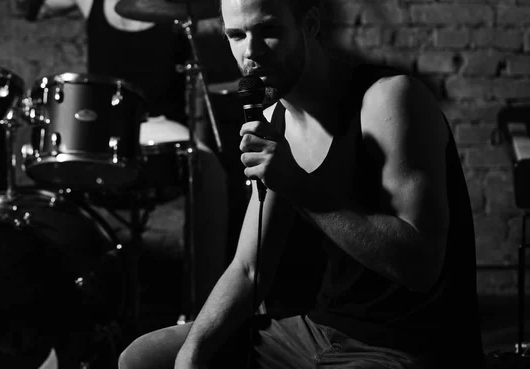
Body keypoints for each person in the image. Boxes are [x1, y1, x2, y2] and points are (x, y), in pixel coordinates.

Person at [117, 0, 486, 368]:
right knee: (143, 359)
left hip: (402, 348)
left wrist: (296, 183)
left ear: (308, 25)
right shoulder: (277, 118)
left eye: (269, 31)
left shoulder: (388, 99)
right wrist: (192, 353)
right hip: (315, 335)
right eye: (236, 35)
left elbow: (421, 266)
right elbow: (249, 269)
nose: (251, 52)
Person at [32, 0, 230, 318]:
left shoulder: (177, 10)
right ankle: (67, 306)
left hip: (162, 125)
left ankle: (204, 310)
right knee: (53, 162)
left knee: (209, 166)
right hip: (103, 129)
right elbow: (36, 7)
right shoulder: (88, 2)